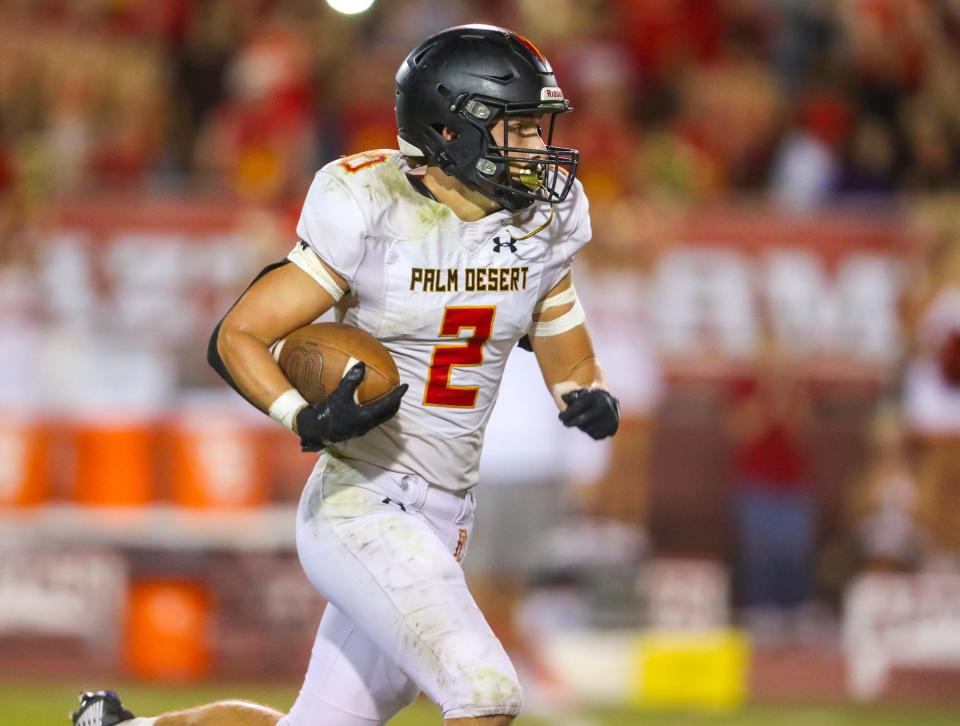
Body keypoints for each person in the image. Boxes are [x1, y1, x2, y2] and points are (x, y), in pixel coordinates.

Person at [72, 24, 618, 726]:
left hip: (447, 512)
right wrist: (301, 415)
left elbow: (556, 322)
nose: (539, 148)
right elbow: (239, 333)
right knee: (485, 693)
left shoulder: (545, 218)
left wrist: (583, 389)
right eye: (518, 129)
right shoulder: (371, 201)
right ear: (452, 130)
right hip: (362, 504)